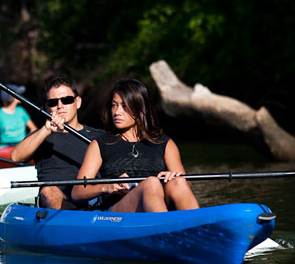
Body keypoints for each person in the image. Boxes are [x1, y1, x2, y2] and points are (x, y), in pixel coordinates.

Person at [71, 78, 199, 213]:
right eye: (114, 105)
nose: (117, 112)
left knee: (178, 182)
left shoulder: (166, 144)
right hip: (117, 212)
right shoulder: (100, 144)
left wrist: (172, 176)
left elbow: (186, 185)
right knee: (151, 182)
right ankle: (165, 230)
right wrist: (106, 187)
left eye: (124, 106)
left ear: (140, 108)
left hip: (159, 206)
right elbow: (77, 192)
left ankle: (200, 226)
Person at [10, 77, 105, 209]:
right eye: (53, 102)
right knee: (48, 191)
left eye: (66, 100)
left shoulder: (99, 136)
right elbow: (16, 157)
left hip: (91, 201)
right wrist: (46, 130)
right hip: (55, 201)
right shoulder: (41, 135)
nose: (60, 106)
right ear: (47, 108)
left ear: (77, 102)